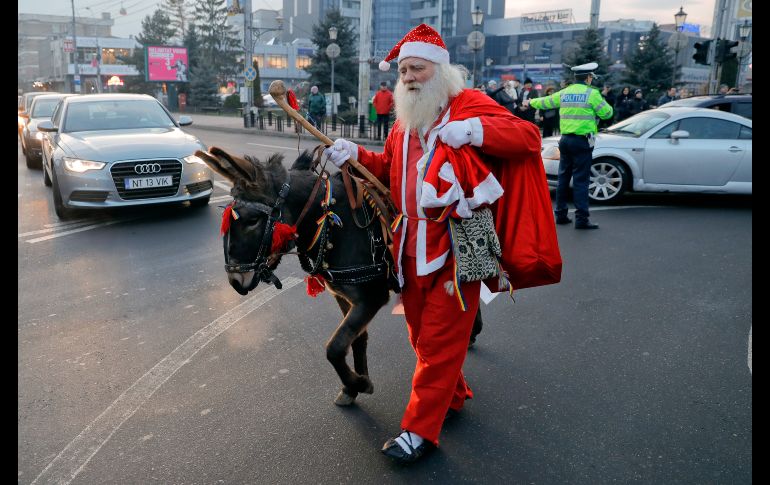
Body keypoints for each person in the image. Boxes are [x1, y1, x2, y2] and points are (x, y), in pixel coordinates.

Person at [323, 23, 542, 464]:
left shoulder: (468, 106)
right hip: (409, 246)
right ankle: (453, 393)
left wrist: (476, 132)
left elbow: (529, 138)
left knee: (441, 339)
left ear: (439, 70)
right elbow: (386, 167)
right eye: (403, 69)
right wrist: (355, 155)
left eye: (417, 68)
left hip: (461, 244)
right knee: (421, 335)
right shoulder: (405, 121)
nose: (408, 77)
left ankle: (419, 430)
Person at [524, 62, 613, 229]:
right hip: (582, 142)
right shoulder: (592, 93)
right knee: (580, 180)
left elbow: (545, 102)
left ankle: (561, 215)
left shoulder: (564, 92)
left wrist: (530, 102)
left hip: (565, 141)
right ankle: (581, 219)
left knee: (563, 178)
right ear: (588, 78)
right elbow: (607, 113)